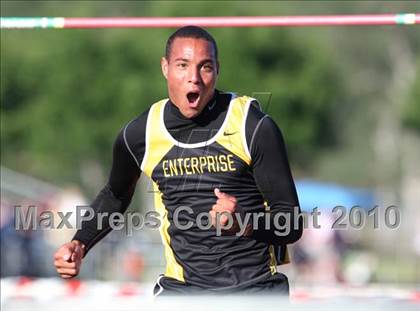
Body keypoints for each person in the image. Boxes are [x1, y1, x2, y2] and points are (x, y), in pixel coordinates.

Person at [54, 25, 303, 296]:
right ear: (165, 68)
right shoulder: (140, 134)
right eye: (182, 65)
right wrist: (80, 243)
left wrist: (244, 222)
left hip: (254, 289)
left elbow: (290, 223)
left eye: (205, 67)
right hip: (183, 291)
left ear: (217, 70)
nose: (193, 78)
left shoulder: (252, 125)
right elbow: (115, 195)